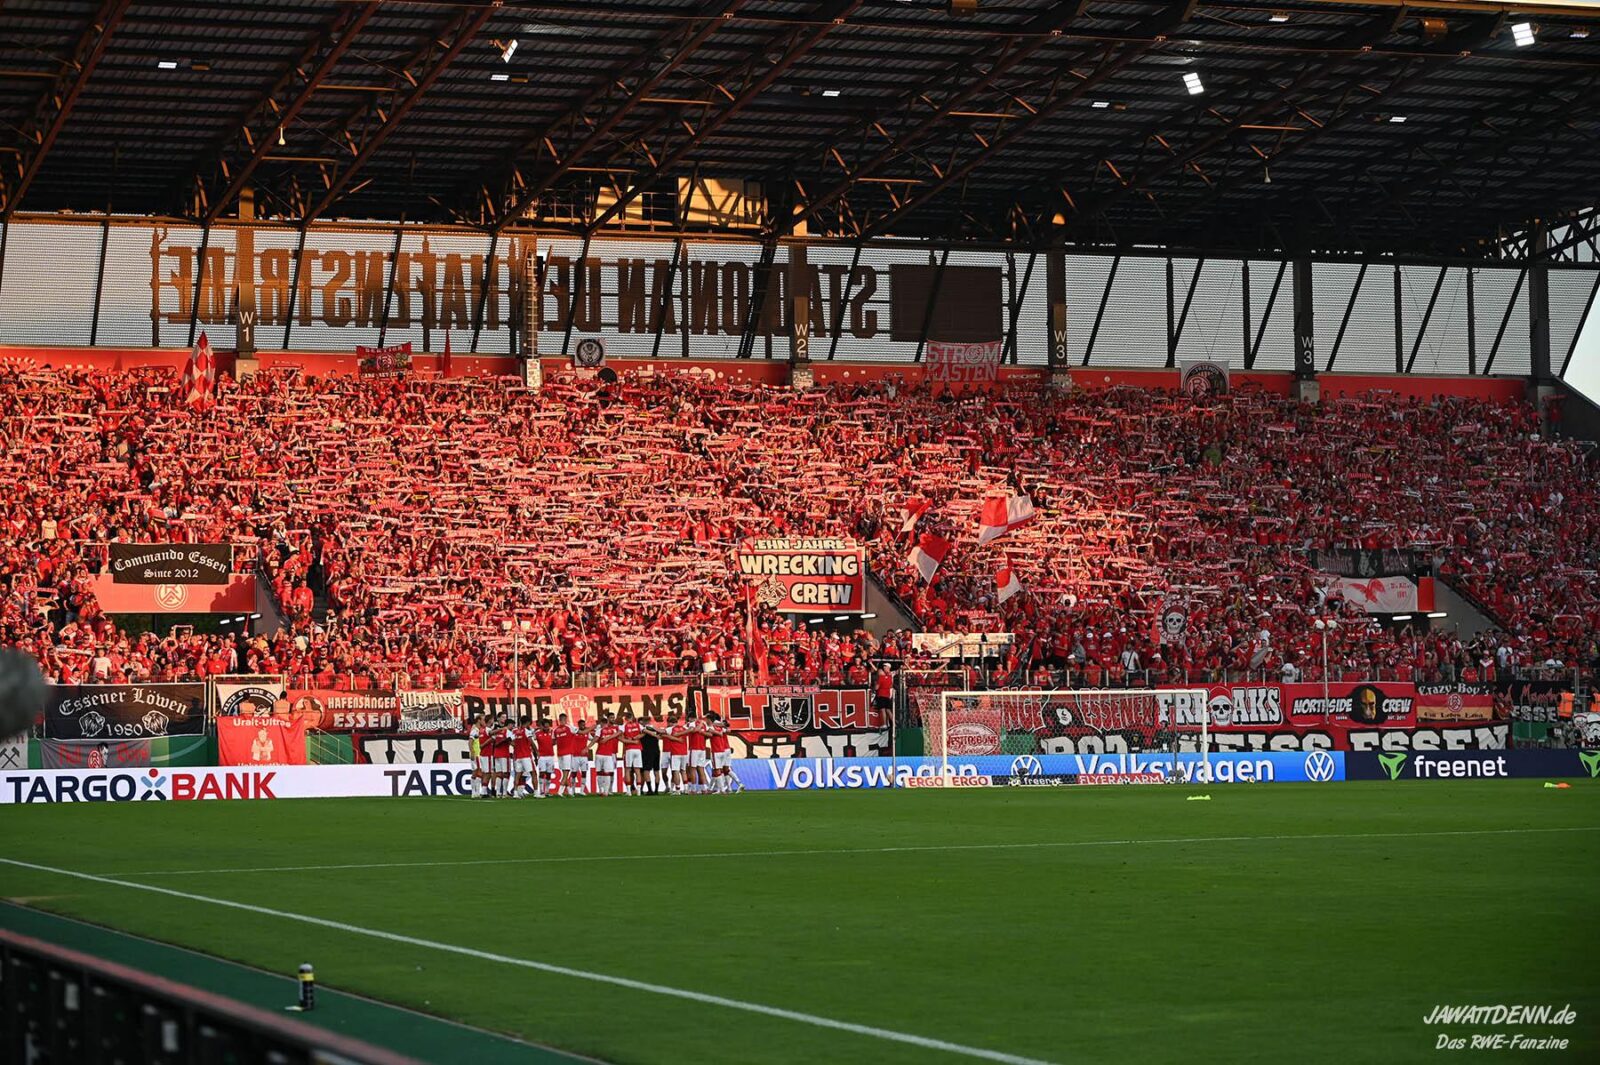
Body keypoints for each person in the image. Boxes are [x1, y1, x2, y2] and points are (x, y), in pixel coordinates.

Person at [590, 711, 622, 796]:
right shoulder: (600, 728)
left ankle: (609, 789)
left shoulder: (616, 727)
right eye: (611, 718)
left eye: (613, 717)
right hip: (603, 752)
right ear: (607, 719)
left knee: (611, 771)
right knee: (601, 771)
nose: (613, 719)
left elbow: (620, 736)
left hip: (613, 752)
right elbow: (595, 737)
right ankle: (602, 789)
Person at [620, 708, 645, 795]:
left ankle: (628, 791)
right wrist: (636, 737)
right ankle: (639, 791)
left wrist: (630, 740)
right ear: (632, 717)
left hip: (629, 749)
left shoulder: (623, 726)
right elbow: (644, 733)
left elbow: (621, 738)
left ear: (625, 718)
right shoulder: (638, 725)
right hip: (638, 749)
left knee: (628, 770)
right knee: (637, 771)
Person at [510, 715, 536, 798]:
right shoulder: (526, 731)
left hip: (517, 756)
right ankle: (536, 793)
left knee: (518, 775)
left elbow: (510, 741)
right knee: (533, 773)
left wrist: (517, 746)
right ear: (528, 723)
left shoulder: (514, 731)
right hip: (526, 756)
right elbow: (531, 742)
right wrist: (537, 751)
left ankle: (516, 793)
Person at [533, 716, 557, 797]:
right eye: (545, 727)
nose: (547, 728)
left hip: (550, 756)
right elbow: (531, 740)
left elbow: (554, 741)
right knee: (542, 773)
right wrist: (535, 752)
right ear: (542, 726)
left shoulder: (552, 732)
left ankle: (547, 791)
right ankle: (541, 791)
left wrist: (551, 744)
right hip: (542, 756)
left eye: (548, 726)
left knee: (549, 773)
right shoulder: (537, 733)